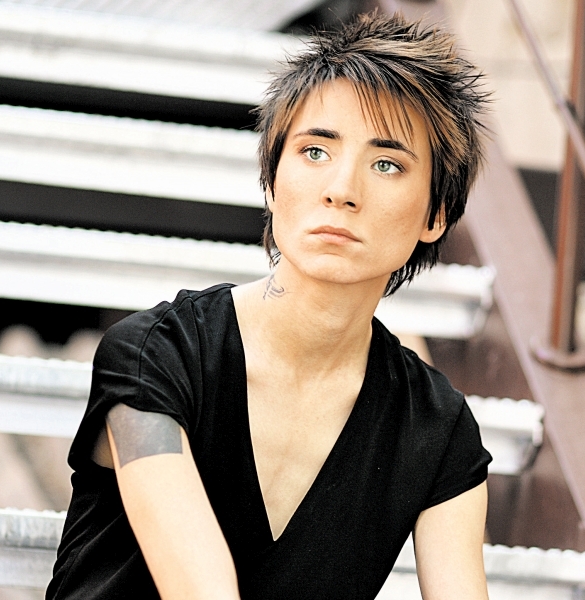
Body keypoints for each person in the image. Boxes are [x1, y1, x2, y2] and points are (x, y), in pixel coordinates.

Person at [47, 11, 491, 600]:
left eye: (386, 164)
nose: (341, 190)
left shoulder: (436, 428)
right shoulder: (157, 357)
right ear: (272, 182)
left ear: (436, 215)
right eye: (315, 151)